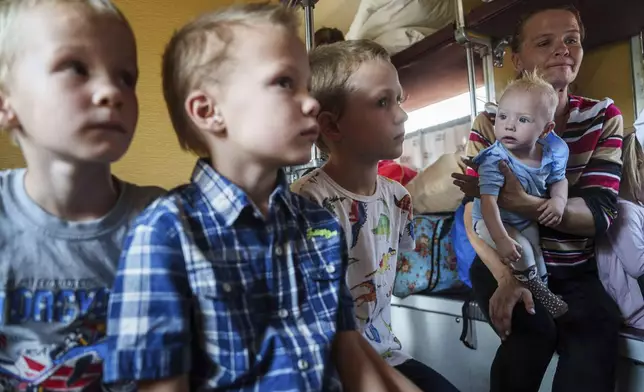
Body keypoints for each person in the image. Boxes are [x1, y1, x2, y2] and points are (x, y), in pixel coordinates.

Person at [104, 4, 422, 392]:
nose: (310, 103)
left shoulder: (318, 225)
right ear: (209, 111)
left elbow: (351, 357)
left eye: (307, 86)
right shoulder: (165, 233)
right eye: (285, 83)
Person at [451, 6, 624, 392]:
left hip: (573, 267)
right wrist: (506, 278)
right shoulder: (491, 122)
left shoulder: (602, 117)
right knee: (532, 332)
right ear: (518, 60)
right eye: (544, 42)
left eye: (572, 39)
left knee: (595, 334)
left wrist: (525, 203)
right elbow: (473, 210)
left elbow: (599, 215)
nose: (562, 49)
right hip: (504, 256)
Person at [0, 0, 164, 390]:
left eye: (127, 77)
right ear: (7, 103)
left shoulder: (160, 217)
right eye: (76, 68)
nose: (112, 91)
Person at [292, 39, 459, 392]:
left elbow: (390, 273)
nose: (402, 114)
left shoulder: (398, 197)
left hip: (385, 353)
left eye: (399, 99)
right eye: (382, 102)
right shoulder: (308, 202)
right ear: (333, 127)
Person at [471, 71, 569, 318]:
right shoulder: (494, 160)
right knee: (521, 250)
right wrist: (501, 239)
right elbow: (488, 204)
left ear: (546, 130)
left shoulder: (553, 151)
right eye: (502, 116)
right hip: (491, 221)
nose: (509, 125)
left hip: (525, 218)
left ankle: (541, 291)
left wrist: (558, 201)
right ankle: (542, 294)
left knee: (536, 253)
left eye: (523, 120)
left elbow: (559, 180)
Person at [596, 124, 644, 330]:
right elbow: (638, 266)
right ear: (637, 169)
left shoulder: (636, 207)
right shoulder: (623, 212)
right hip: (636, 312)